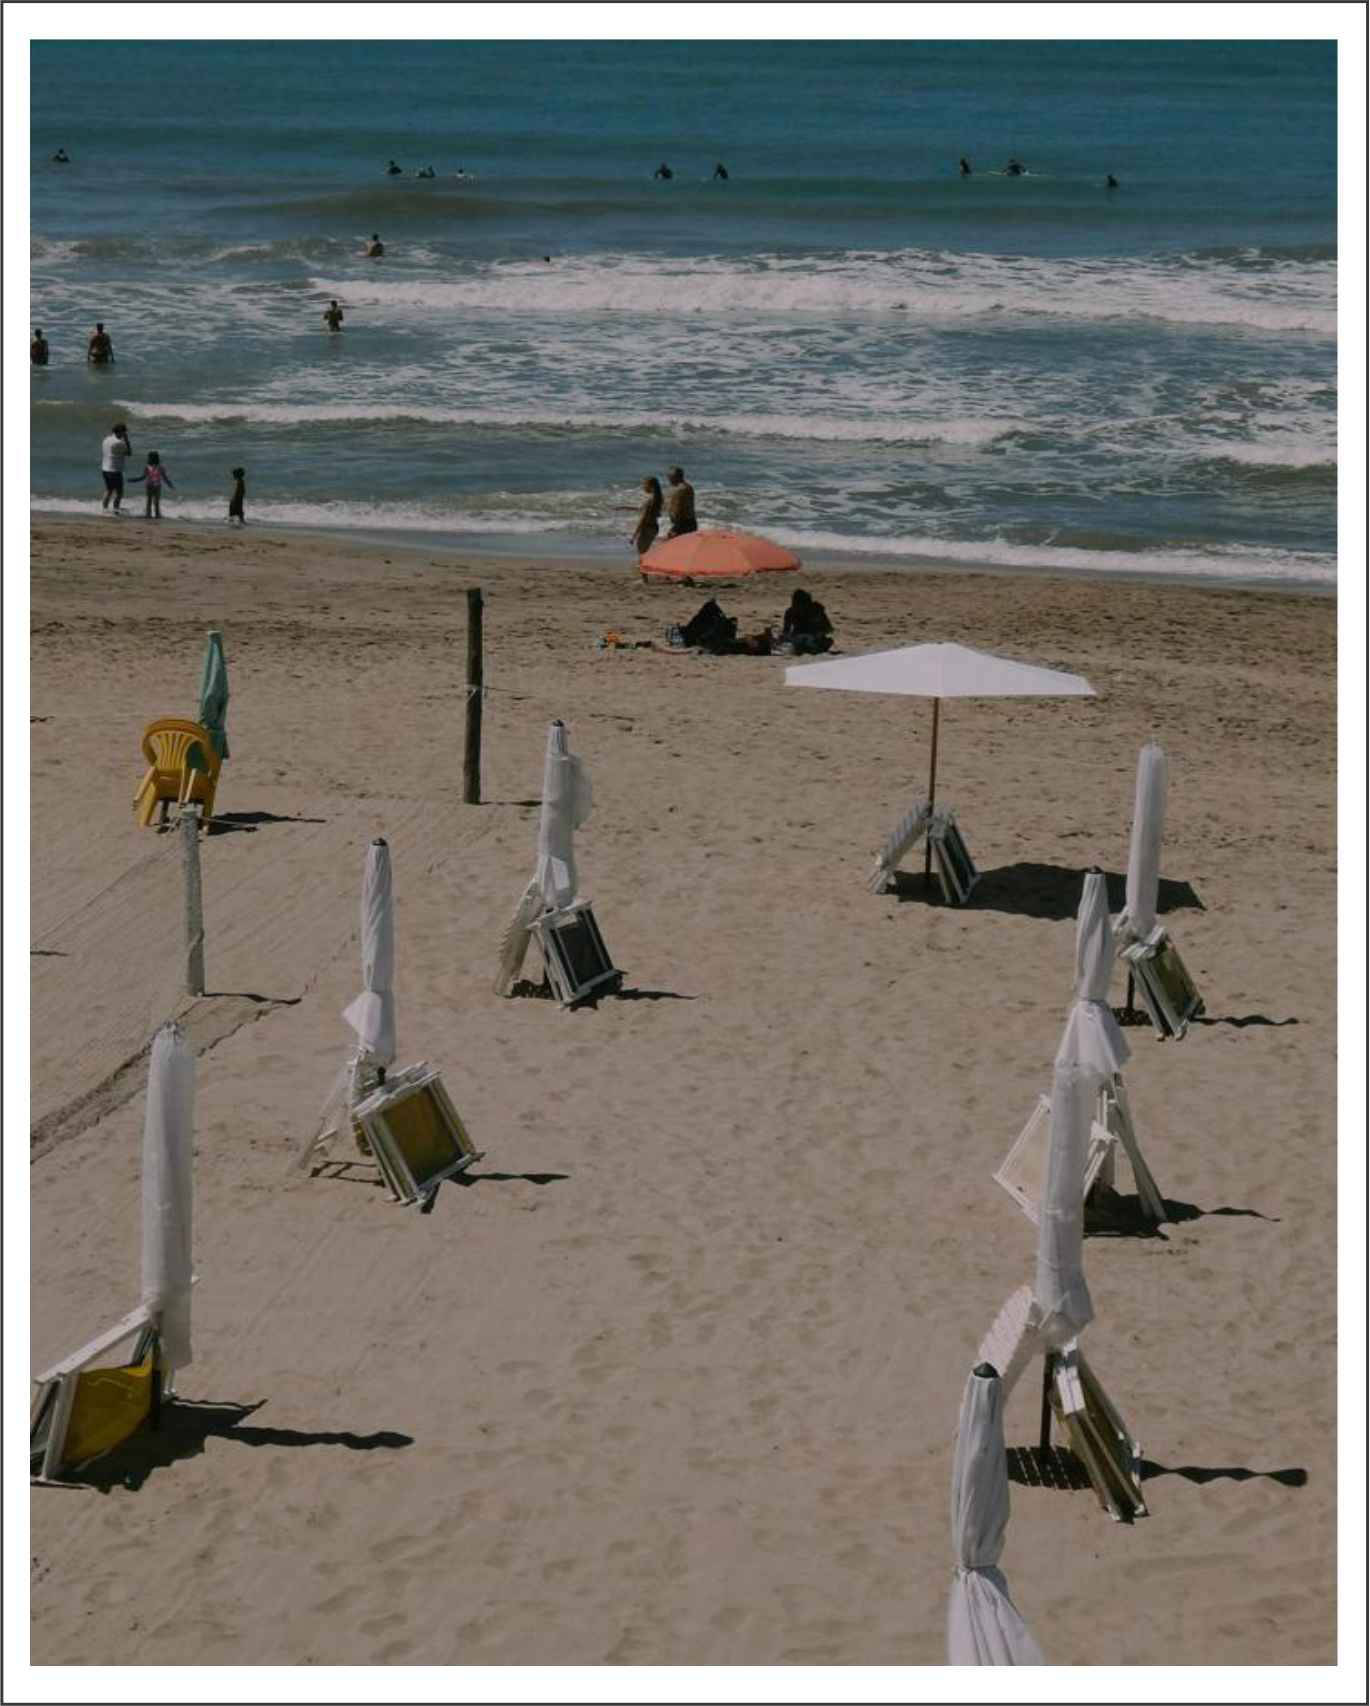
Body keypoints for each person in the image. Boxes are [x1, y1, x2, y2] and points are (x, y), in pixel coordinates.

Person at [780, 587, 833, 655]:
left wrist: (819, 633)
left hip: (815, 637)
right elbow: (786, 631)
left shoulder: (816, 610)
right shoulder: (790, 612)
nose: (799, 606)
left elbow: (829, 628)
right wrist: (787, 637)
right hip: (798, 638)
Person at [128, 450, 175, 519]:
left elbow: (164, 477)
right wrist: (134, 480)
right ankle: (150, 515)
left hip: (156, 486)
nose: (148, 459)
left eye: (149, 457)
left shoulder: (160, 467)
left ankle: (155, 515)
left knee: (155, 502)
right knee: (150, 501)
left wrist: (170, 484)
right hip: (150, 486)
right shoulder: (148, 467)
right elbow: (143, 477)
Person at [100, 423, 132, 513]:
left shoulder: (106, 439)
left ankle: (104, 509)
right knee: (119, 492)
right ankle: (116, 510)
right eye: (124, 432)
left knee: (109, 490)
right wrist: (127, 440)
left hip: (105, 468)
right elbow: (129, 453)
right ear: (120, 432)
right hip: (115, 470)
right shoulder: (119, 442)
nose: (125, 434)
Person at [630, 476, 663, 555]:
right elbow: (642, 509)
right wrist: (624, 507)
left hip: (647, 528)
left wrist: (634, 535)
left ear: (651, 486)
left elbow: (643, 519)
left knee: (642, 553)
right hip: (654, 527)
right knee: (645, 552)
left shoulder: (650, 501)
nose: (643, 487)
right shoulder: (657, 499)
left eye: (644, 484)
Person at [665, 466, 696, 537]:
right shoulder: (687, 487)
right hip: (690, 522)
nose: (668, 479)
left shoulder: (680, 490)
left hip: (682, 524)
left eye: (669, 476)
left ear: (674, 477)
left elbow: (677, 509)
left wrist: (676, 528)